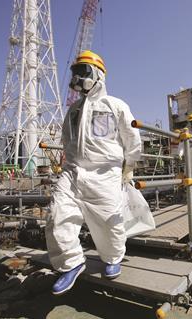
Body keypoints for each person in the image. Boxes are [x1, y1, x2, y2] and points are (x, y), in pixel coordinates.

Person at [45, 51, 142, 295]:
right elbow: (67, 139)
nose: (78, 78)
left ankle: (112, 258)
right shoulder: (74, 109)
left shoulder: (115, 105)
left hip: (105, 172)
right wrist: (68, 165)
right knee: (57, 214)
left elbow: (133, 139)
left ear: (98, 75)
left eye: (83, 72)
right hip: (73, 171)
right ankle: (71, 262)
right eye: (76, 72)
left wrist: (128, 167)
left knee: (109, 221)